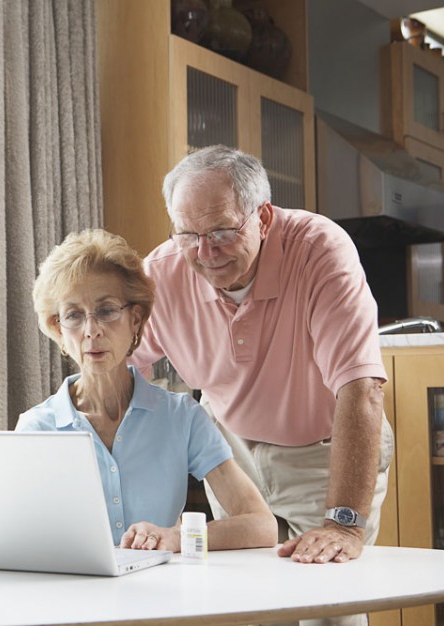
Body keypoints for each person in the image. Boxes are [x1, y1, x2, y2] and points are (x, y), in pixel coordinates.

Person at [129, 145, 392, 624]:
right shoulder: (162, 272)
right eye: (188, 234)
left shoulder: (318, 249)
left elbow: (361, 387)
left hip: (324, 449)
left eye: (222, 232)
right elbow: (123, 370)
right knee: (247, 603)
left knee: (328, 608)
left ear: (264, 218)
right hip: (232, 451)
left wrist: (345, 525)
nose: (205, 253)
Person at [16, 228, 276, 553]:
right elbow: (16, 538)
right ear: (58, 328)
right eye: (73, 315)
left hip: (162, 586)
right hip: (74, 587)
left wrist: (176, 538)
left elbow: (261, 525)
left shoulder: (181, 417)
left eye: (106, 311)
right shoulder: (36, 429)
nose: (91, 331)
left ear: (135, 319)